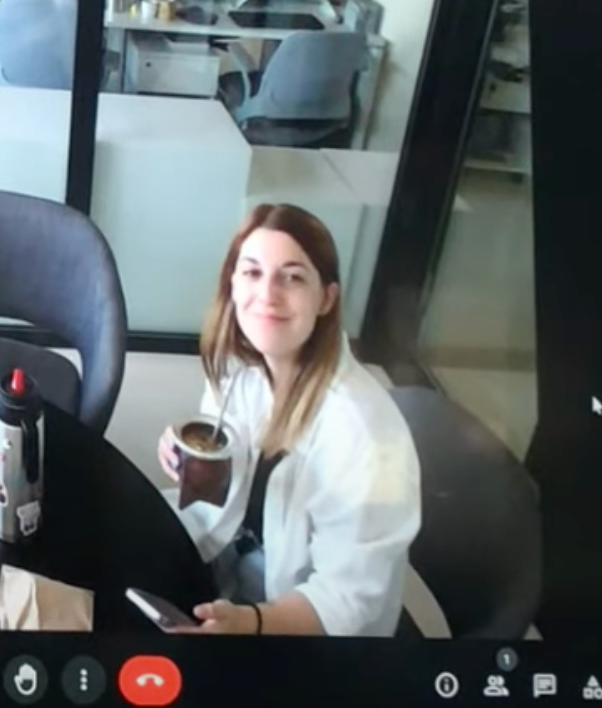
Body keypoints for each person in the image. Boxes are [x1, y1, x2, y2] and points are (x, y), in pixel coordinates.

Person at [158, 203, 421, 637]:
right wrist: (187, 456)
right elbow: (227, 472)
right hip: (234, 561)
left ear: (327, 298)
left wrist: (250, 623)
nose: (267, 294)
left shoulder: (365, 434)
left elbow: (346, 600)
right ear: (232, 282)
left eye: (293, 277)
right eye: (252, 272)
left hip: (307, 631)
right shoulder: (240, 367)